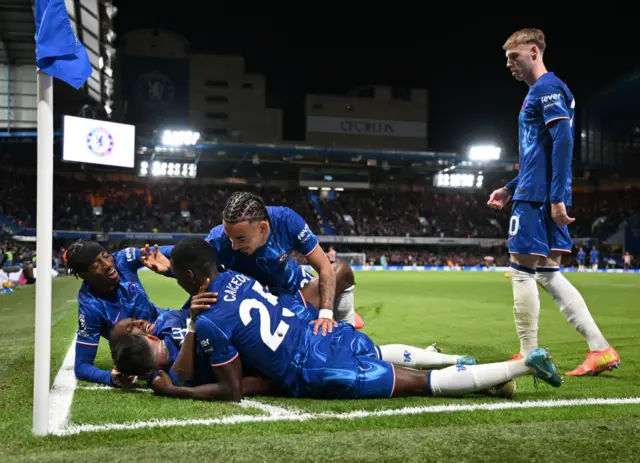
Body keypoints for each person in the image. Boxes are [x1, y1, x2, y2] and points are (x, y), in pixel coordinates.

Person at [120, 237, 561, 402]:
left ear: (193, 276)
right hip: (317, 329)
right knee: (381, 355)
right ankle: (456, 363)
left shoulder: (209, 320)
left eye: (178, 276)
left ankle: (523, 364)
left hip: (312, 368)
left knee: (416, 386)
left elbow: (231, 390)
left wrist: (179, 393)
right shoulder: (234, 274)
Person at [487, 28, 620, 376]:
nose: (509, 64)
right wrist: (509, 187)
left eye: (513, 57)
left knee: (520, 270)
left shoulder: (546, 89)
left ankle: (528, 354)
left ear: (533, 51)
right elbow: (540, 153)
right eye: (506, 59)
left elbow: (563, 141)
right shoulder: (545, 90)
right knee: (548, 273)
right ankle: (600, 348)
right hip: (534, 190)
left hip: (538, 198)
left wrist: (557, 197)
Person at [143, 191, 362, 333]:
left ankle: (347, 326)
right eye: (230, 238)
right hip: (267, 300)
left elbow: (324, 267)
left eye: (241, 239)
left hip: (297, 287)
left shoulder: (287, 221)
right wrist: (170, 269)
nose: (234, 245)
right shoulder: (219, 241)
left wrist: (326, 314)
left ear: (263, 228)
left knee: (342, 270)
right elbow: (191, 260)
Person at [65, 239, 175, 387]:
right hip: (145, 349)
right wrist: (109, 377)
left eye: (105, 255)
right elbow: (82, 367)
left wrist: (171, 266)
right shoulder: (91, 307)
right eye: (96, 264)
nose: (108, 264)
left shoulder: (123, 259)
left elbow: (172, 251)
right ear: (85, 275)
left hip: (168, 322)